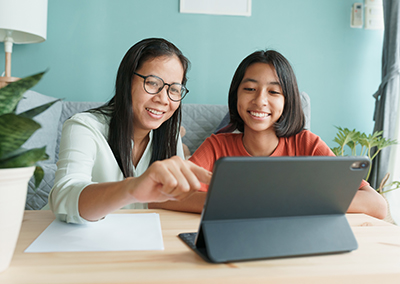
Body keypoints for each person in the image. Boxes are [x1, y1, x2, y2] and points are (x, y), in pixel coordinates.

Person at [150, 49, 388, 219]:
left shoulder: (307, 144)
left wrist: (290, 203)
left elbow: (377, 204)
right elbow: (161, 197)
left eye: (274, 92)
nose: (260, 100)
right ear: (236, 96)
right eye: (250, 89)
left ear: (288, 101)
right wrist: (242, 204)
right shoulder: (217, 146)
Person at [49, 38, 211, 224]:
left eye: (174, 89)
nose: (163, 99)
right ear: (126, 81)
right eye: (152, 83)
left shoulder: (169, 135)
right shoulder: (83, 127)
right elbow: (63, 199)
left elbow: (169, 197)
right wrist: (131, 189)